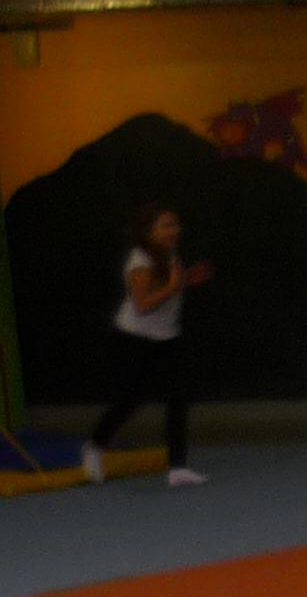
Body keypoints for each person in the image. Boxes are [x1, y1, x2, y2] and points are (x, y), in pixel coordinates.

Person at [80, 205, 210, 487]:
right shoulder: (140, 261)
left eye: (175, 224)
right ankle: (94, 446)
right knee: (132, 398)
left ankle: (178, 467)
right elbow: (142, 305)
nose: (173, 230)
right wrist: (175, 285)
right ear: (149, 232)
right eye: (166, 225)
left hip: (167, 337)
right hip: (134, 338)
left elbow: (167, 288)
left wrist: (186, 279)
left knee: (179, 397)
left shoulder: (169, 254)